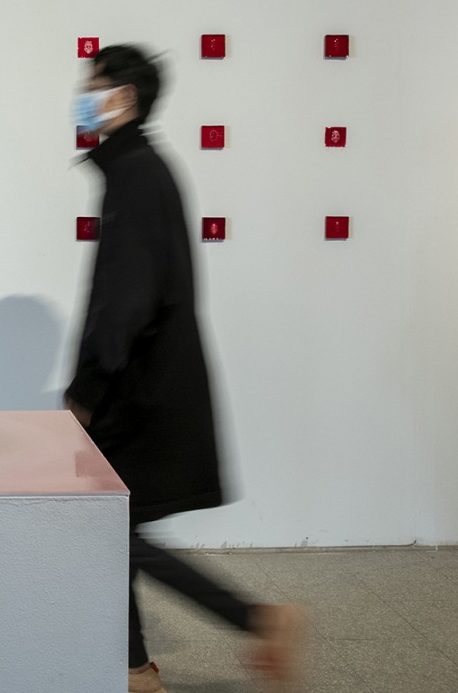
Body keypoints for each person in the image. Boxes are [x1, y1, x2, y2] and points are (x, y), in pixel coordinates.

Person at [63, 44, 305, 693]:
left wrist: (87, 391)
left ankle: (255, 622)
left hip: (138, 390)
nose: (82, 99)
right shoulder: (136, 170)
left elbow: (127, 299)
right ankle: (138, 667)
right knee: (113, 525)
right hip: (143, 382)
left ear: (123, 98)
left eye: (92, 86)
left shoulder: (138, 176)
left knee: (111, 526)